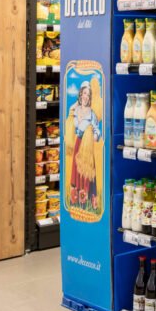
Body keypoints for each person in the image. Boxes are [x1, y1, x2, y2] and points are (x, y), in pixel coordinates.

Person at [67, 80, 103, 212]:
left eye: (88, 95)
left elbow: (97, 130)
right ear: (80, 94)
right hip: (78, 144)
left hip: (87, 147)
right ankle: (76, 201)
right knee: (77, 172)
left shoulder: (91, 113)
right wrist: (78, 102)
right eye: (84, 93)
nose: (85, 97)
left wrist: (95, 136)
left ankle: (88, 203)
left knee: (86, 174)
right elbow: (70, 112)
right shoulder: (76, 110)